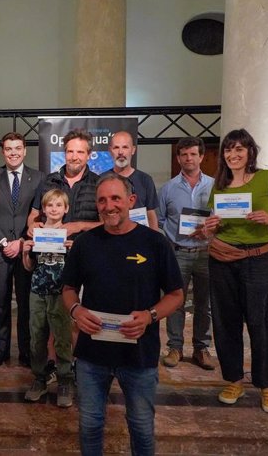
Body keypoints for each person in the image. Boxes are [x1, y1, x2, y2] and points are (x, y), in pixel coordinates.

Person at [62, 172, 184, 456]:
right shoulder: (85, 243)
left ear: (130, 201)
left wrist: (150, 315)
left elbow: (176, 295)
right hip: (92, 355)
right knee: (90, 425)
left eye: (115, 198)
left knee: (141, 427)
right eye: (102, 200)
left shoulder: (155, 243)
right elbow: (68, 289)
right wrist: (75, 310)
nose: (108, 206)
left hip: (139, 356)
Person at [200, 129, 268, 414]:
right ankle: (233, 381)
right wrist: (209, 227)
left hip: (257, 261)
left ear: (251, 151)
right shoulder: (220, 184)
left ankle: (266, 386)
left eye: (240, 149)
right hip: (222, 260)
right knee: (226, 324)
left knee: (260, 324)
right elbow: (210, 222)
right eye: (228, 149)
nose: (233, 154)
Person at [0, 131, 45, 368]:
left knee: (26, 304)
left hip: (26, 249)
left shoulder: (38, 178)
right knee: (2, 304)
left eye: (18, 148)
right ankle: (2, 350)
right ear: (3, 152)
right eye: (9, 149)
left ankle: (26, 352)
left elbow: (41, 215)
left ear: (25, 151)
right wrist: (5, 242)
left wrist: (22, 241)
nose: (13, 153)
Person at [157, 137, 215, 370]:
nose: (188, 158)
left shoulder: (214, 186)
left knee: (205, 303)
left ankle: (202, 348)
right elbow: (160, 220)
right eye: (184, 155)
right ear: (178, 158)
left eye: (192, 154)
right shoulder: (168, 188)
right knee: (175, 302)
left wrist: (210, 229)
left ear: (201, 156)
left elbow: (221, 218)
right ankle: (175, 347)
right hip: (177, 252)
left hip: (206, 252)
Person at [21, 189, 74, 407]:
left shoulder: (69, 235)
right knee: (37, 337)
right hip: (38, 290)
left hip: (60, 292)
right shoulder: (36, 233)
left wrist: (73, 251)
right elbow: (29, 267)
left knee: (62, 337)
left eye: (58, 205)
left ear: (65, 209)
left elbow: (76, 271)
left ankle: (64, 380)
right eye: (50, 205)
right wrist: (25, 251)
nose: (54, 209)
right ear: (43, 209)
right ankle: (40, 378)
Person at [27, 128, 101, 238]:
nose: (74, 157)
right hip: (51, 249)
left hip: (85, 251)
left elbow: (108, 223)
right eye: (70, 151)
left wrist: (80, 226)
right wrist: (32, 225)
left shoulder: (99, 184)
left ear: (89, 155)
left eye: (80, 152)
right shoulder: (48, 181)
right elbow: (34, 214)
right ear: (64, 153)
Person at [107, 131, 159, 230]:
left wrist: (154, 241)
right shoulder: (102, 180)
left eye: (125, 147)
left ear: (133, 150)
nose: (121, 152)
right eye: (116, 147)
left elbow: (151, 214)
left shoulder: (145, 180)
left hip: (141, 240)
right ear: (110, 150)